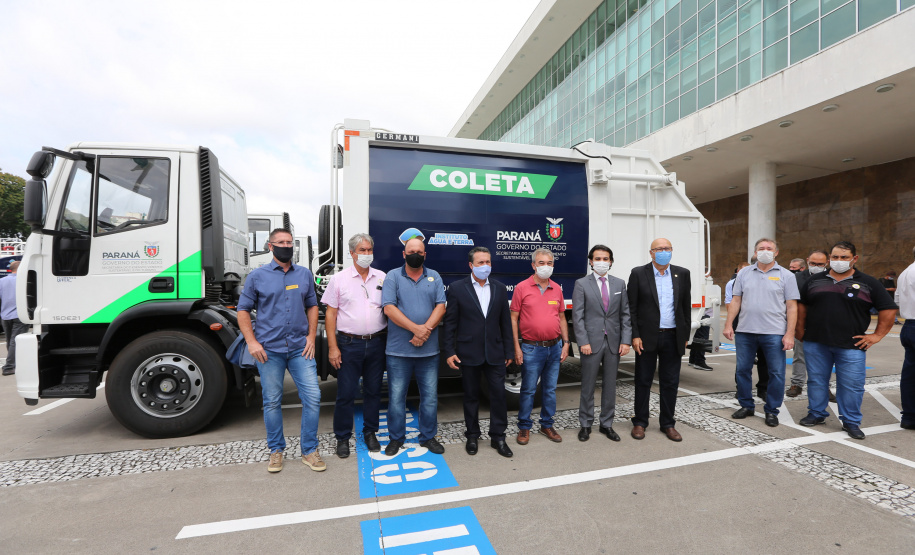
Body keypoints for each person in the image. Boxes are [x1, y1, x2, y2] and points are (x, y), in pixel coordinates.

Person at [237, 229, 324, 473]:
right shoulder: (257, 276)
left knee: (313, 397)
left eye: (289, 242)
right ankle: (276, 451)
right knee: (272, 401)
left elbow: (312, 305)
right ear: (270, 246)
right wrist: (252, 342)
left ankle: (309, 450)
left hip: (299, 349)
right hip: (269, 350)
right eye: (281, 242)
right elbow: (243, 310)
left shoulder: (304, 274)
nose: (286, 246)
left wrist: (311, 336)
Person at [797, 241, 897, 439]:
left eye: (844, 257)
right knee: (817, 381)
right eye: (835, 257)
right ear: (829, 259)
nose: (839, 261)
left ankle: (851, 421)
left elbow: (889, 309)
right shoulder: (814, 280)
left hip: (851, 345)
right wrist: (800, 331)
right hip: (816, 343)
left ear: (854, 259)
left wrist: (876, 335)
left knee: (851, 385)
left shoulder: (869, 282)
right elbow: (801, 307)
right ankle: (816, 413)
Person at [442, 246, 514, 458]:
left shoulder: (500, 288)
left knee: (498, 396)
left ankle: (498, 437)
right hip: (468, 352)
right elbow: (450, 323)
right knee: (471, 396)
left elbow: (505, 323)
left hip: (495, 352)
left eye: (488, 262)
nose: (485, 266)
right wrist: (449, 351)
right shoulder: (457, 288)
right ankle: (472, 435)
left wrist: (509, 350)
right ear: (471, 265)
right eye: (481, 262)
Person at [323, 233, 387, 459]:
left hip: (377, 342)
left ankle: (370, 433)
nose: (367, 254)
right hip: (348, 344)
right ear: (352, 253)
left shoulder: (381, 277)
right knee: (346, 393)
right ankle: (342, 437)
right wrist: (333, 347)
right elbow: (330, 314)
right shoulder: (338, 280)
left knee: (373, 392)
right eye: (362, 250)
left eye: (369, 250)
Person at [382, 237, 446, 456]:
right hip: (399, 351)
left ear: (425, 255)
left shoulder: (434, 276)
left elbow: (441, 307)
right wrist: (416, 330)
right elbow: (389, 309)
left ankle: (428, 437)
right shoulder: (392, 276)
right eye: (411, 251)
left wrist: (424, 330)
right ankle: (396, 439)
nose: (415, 254)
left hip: (428, 351)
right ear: (404, 254)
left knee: (429, 397)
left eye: (420, 251)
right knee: (397, 398)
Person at [724, 238, 798, 427]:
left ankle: (772, 410)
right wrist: (728, 324)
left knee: (776, 373)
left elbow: (791, 307)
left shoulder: (787, 276)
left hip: (774, 333)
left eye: (769, 248)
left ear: (776, 252)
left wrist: (789, 334)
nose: (765, 251)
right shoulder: (744, 274)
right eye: (761, 248)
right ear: (755, 252)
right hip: (745, 332)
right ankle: (746, 405)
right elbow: (736, 300)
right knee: (742, 370)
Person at [627, 238, 692, 441]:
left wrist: (684, 335)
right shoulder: (639, 273)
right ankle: (640, 422)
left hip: (673, 336)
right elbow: (632, 308)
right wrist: (635, 335)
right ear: (651, 252)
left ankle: (668, 423)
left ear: (672, 250)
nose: (663, 251)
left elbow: (685, 307)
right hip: (646, 338)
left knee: (670, 382)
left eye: (667, 248)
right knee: (643, 380)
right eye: (659, 249)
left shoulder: (682, 273)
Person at [572, 245, 631, 442]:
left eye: (605, 258)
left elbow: (625, 315)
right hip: (591, 343)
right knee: (588, 385)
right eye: (597, 258)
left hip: (614, 342)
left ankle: (607, 424)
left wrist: (626, 341)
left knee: (610, 386)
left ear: (611, 261)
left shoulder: (619, 284)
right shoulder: (581, 284)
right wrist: (583, 341)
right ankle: (586, 424)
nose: (602, 262)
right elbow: (577, 317)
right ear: (590, 261)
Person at [511, 248, 569, 445]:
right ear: (533, 265)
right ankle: (524, 427)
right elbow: (513, 318)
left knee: (550, 389)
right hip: (531, 348)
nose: (546, 267)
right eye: (541, 263)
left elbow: (561, 317)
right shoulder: (522, 288)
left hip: (554, 347)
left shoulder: (557, 288)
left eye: (549, 263)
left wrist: (566, 343)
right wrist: (516, 348)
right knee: (528, 390)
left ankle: (547, 424)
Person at [786, 250, 829, 398]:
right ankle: (797, 384)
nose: (816, 266)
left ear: (827, 263)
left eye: (820, 264)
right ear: (807, 261)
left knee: (824, 358)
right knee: (799, 355)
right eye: (813, 264)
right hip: (801, 323)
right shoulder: (797, 278)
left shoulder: (832, 277)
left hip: (825, 324)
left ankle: (824, 386)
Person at [726, 261, 769, 399]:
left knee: (765, 361)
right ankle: (742, 390)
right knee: (743, 363)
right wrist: (730, 324)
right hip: (743, 327)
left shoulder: (764, 281)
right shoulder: (732, 284)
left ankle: (763, 388)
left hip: (766, 327)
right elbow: (731, 303)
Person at [895, 247, 915, 430]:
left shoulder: (905, 273)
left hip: (909, 324)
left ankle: (909, 416)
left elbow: (898, 301)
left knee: (909, 375)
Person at [0, 261, 28, 376]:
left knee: (10, 340)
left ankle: (13, 363)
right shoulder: (24, 281)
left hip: (5, 315)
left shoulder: (2, 281)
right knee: (15, 342)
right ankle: (9, 366)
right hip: (19, 315)